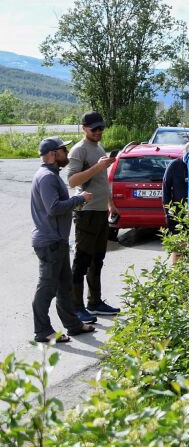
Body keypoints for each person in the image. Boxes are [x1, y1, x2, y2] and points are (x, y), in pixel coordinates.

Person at [31, 137, 95, 343]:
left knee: (64, 286)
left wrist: (76, 202)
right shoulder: (47, 177)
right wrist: (79, 199)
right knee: (47, 288)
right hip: (50, 242)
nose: (66, 153)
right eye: (63, 150)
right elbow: (54, 207)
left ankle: (73, 325)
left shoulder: (50, 174)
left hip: (57, 240)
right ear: (52, 154)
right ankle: (42, 331)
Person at [66, 111, 120, 322]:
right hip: (86, 213)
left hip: (100, 212)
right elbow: (72, 181)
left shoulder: (98, 147)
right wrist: (98, 166)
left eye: (101, 128)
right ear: (84, 128)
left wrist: (110, 204)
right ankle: (76, 307)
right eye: (94, 128)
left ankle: (95, 302)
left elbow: (101, 180)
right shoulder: (78, 150)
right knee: (82, 260)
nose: (98, 132)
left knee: (98, 259)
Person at [162, 141, 189, 264]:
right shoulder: (175, 165)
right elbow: (165, 190)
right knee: (179, 246)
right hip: (178, 213)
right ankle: (177, 273)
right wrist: (168, 212)